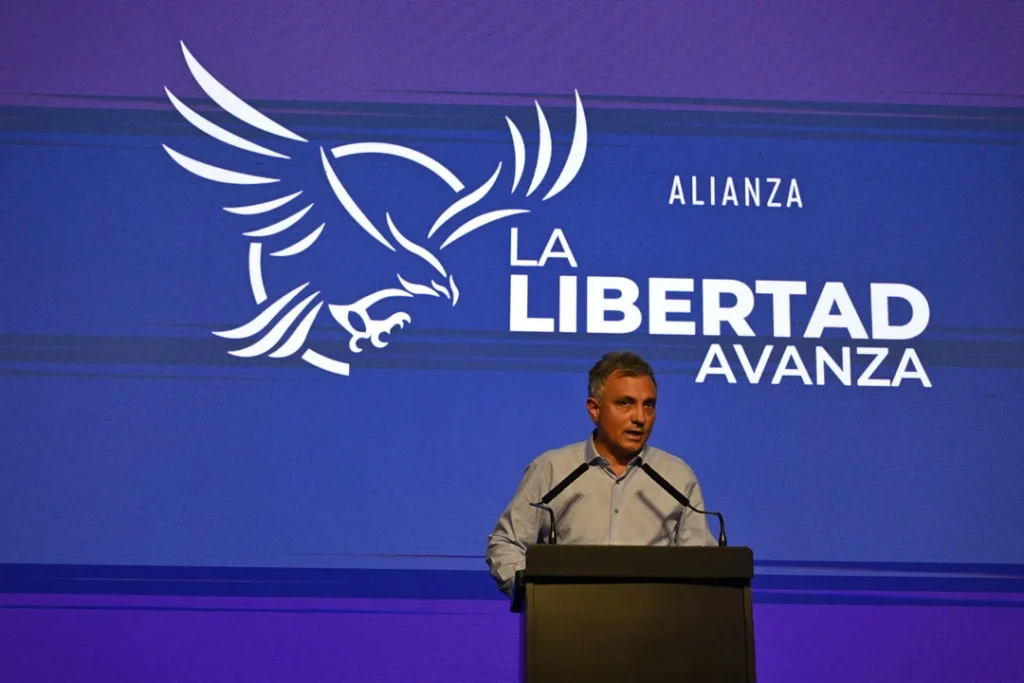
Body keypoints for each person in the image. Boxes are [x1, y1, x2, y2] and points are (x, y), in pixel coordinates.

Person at [485, 350, 717, 596]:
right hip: (566, 614)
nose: (640, 418)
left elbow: (702, 563)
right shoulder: (552, 469)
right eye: (625, 403)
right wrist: (532, 594)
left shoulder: (677, 477)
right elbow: (507, 544)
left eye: (648, 405)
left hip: (655, 616)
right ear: (594, 409)